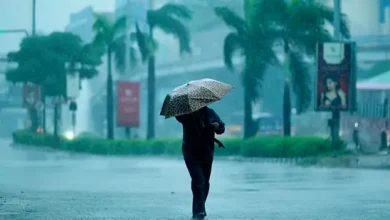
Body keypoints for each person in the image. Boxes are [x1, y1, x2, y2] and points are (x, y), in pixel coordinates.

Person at [176, 106, 225, 219]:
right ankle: (199, 211)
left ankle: (200, 207)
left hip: (207, 151)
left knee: (205, 181)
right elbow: (179, 117)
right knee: (199, 179)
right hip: (191, 152)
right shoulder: (185, 113)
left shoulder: (210, 112)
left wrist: (217, 126)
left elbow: (221, 128)